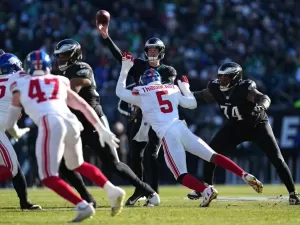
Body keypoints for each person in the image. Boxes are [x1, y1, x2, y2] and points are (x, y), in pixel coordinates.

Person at [116, 53, 263, 207]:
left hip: (168, 134)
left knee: (180, 175)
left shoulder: (142, 92)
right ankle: (244, 174)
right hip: (181, 127)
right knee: (212, 156)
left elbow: (119, 92)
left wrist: (125, 69)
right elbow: (192, 104)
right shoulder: (171, 88)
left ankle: (206, 190)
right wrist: (186, 89)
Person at [5, 50, 125, 222]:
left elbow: (10, 122)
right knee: (77, 164)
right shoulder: (59, 80)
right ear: (48, 66)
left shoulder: (20, 84)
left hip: (50, 122)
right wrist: (101, 128)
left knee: (47, 176)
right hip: (72, 122)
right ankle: (112, 190)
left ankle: (83, 206)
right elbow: (82, 105)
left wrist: (15, 132)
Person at [53, 39, 160, 207]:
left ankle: (147, 190)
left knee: (114, 164)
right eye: (58, 56)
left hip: (94, 123)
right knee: (66, 165)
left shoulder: (82, 68)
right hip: (76, 125)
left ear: (74, 55)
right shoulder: (59, 72)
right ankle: (88, 200)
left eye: (64, 55)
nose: (60, 59)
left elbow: (70, 93)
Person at [187, 62, 300, 205]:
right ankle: (206, 189)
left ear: (235, 78)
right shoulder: (215, 88)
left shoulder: (245, 88)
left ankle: (293, 194)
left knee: (277, 159)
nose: (221, 81)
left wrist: (262, 106)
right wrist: (178, 95)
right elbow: (200, 96)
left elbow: (264, 98)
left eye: (225, 78)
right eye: (220, 77)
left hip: (257, 126)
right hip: (235, 126)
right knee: (209, 152)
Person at [99, 24, 177, 205]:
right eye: (149, 50)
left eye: (154, 50)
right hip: (140, 116)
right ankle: (141, 189)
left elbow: (163, 93)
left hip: (157, 118)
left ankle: (154, 192)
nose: (151, 52)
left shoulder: (168, 71)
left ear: (161, 52)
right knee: (135, 155)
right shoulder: (140, 66)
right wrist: (106, 37)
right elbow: (121, 59)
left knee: (152, 155)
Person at [0, 52, 41, 210]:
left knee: (15, 166)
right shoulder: (19, 76)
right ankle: (24, 203)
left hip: (2, 129)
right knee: (12, 168)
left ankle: (24, 202)